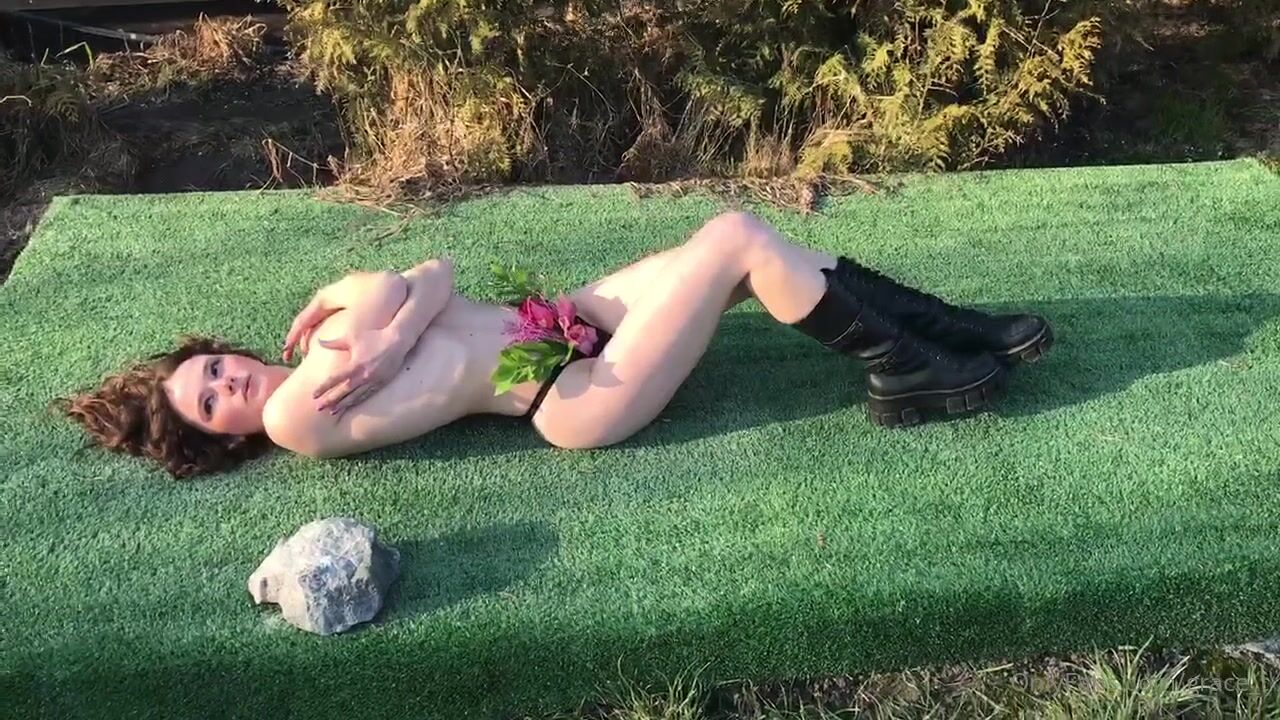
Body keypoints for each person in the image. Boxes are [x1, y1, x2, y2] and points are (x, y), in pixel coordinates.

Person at [54, 211, 1052, 479]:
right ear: (227, 435)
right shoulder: (289, 417)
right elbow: (404, 280)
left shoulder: (327, 338)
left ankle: (942, 333)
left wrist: (397, 330)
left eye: (214, 368)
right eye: (212, 401)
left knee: (750, 240)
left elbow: (433, 268)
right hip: (573, 392)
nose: (231, 382)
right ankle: (903, 372)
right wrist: (392, 312)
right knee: (732, 240)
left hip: (561, 322)